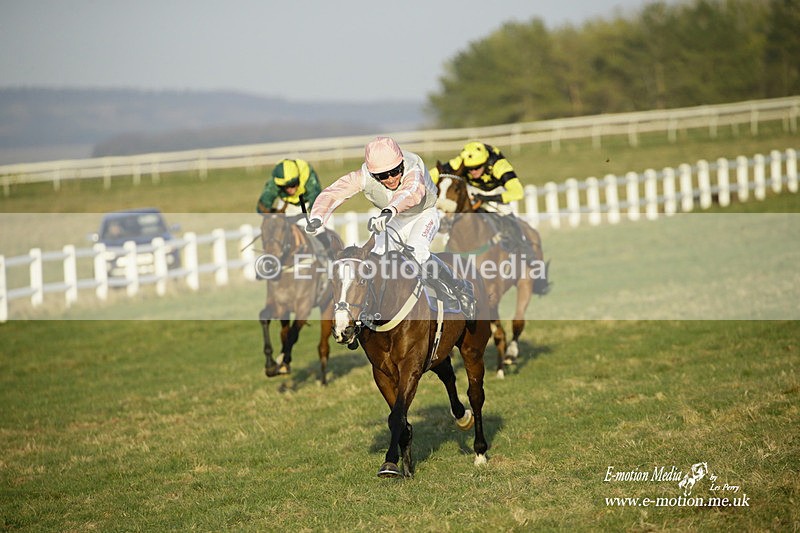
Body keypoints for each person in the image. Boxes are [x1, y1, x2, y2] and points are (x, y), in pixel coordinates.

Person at [305, 136, 475, 320]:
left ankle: (459, 289)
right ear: (372, 174)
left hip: (423, 214)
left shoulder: (413, 167)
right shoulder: (363, 176)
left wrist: (389, 211)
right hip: (394, 219)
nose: (391, 178)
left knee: (416, 252)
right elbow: (334, 192)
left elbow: (411, 193)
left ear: (401, 163)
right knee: (373, 259)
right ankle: (364, 313)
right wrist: (316, 217)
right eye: (382, 176)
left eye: (395, 171)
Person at [430, 141, 530, 254]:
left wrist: (486, 198)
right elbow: (432, 174)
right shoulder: (460, 161)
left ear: (485, 162)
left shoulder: (500, 165)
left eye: (477, 167)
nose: (473, 171)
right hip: (473, 190)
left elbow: (518, 192)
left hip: (496, 192)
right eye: (470, 168)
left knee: (510, 223)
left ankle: (526, 253)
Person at [256, 158, 322, 220]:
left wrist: (311, 212)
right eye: (284, 187)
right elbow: (264, 202)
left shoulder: (306, 172)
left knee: (319, 227)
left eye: (292, 185)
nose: (289, 189)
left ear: (298, 178)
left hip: (307, 205)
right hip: (286, 206)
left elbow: (315, 195)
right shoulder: (276, 180)